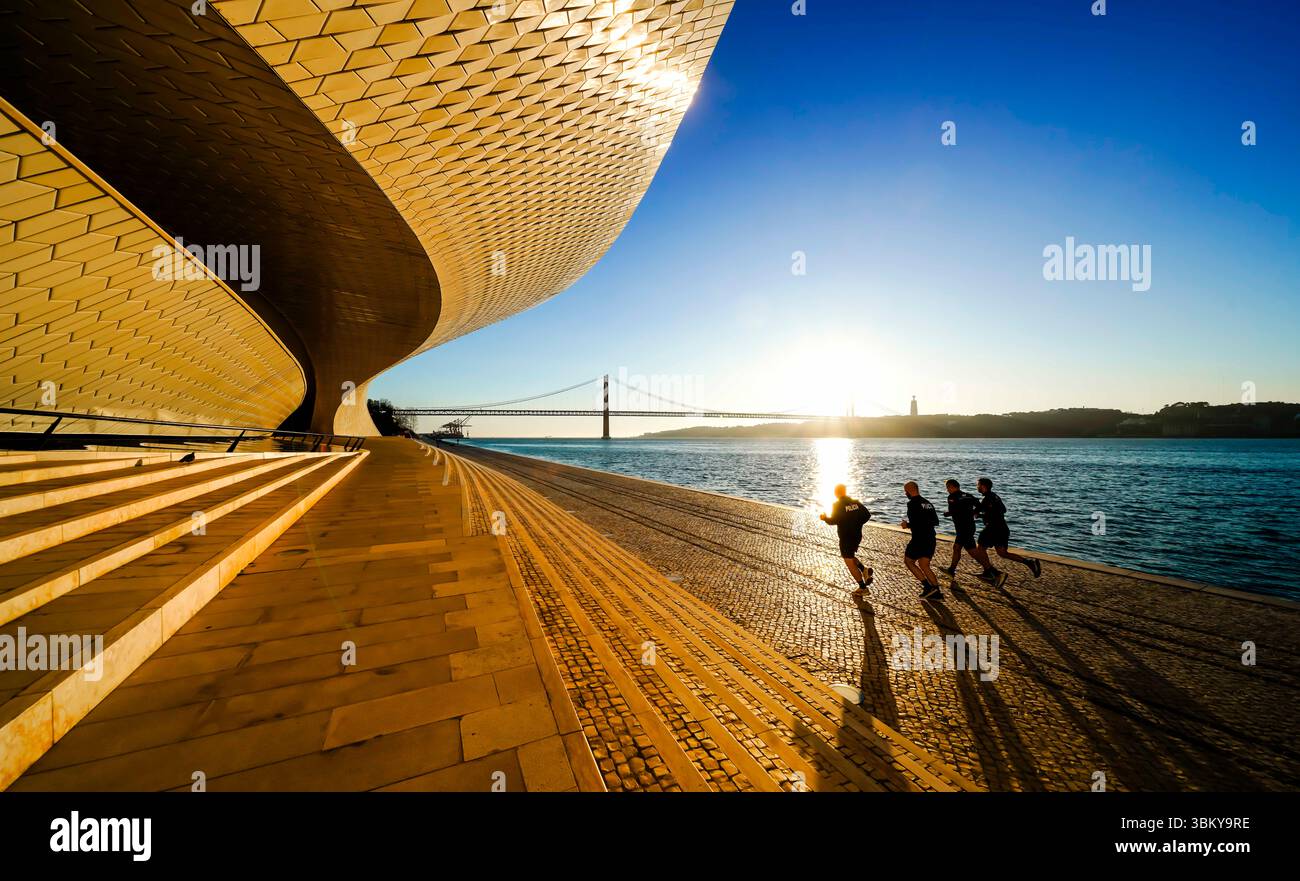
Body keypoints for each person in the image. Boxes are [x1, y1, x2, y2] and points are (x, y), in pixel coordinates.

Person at [942, 479, 1006, 585]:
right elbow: (980, 506)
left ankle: (995, 573)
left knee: (964, 550)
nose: (947, 490)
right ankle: (952, 570)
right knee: (965, 550)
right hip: (970, 527)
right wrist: (973, 512)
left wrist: (947, 513)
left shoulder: (952, 497)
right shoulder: (968, 495)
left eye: (947, 487)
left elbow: (954, 511)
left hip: (963, 528)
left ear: (952, 487)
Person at [976, 477, 1042, 578]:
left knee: (980, 549)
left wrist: (981, 515)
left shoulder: (987, 499)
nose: (977, 487)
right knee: (1002, 553)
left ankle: (990, 572)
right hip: (1002, 528)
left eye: (978, 485)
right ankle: (1029, 563)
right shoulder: (995, 496)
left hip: (993, 528)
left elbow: (992, 513)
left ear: (983, 486)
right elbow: (1003, 510)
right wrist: (984, 514)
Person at [819, 484, 874, 595]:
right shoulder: (855, 502)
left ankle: (863, 587)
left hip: (846, 536)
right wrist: (857, 524)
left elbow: (834, 520)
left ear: (836, 493)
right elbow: (867, 515)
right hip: (857, 535)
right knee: (851, 556)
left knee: (848, 561)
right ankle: (864, 570)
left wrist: (824, 518)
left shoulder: (837, 504)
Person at [900, 481, 943, 600]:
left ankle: (927, 587)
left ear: (908, 491)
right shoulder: (928, 503)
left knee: (909, 561)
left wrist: (906, 525)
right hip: (930, 538)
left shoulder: (912, 504)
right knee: (924, 565)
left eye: (905, 491)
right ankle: (936, 591)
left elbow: (916, 523)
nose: (905, 493)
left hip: (919, 539)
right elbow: (936, 522)